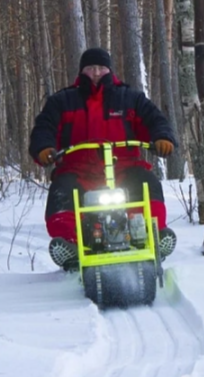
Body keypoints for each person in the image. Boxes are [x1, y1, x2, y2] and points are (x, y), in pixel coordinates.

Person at [28, 47, 177, 270]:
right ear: (82, 72)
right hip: (77, 169)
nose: (96, 73)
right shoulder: (63, 101)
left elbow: (154, 119)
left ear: (109, 70)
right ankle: (70, 245)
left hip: (123, 167)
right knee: (62, 191)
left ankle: (152, 233)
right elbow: (44, 127)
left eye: (100, 68)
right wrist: (44, 148)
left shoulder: (130, 98)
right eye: (90, 68)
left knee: (147, 183)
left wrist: (162, 138)